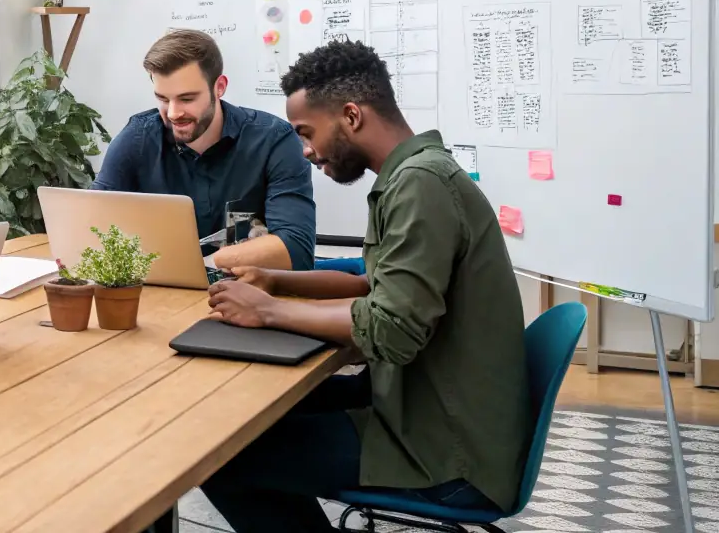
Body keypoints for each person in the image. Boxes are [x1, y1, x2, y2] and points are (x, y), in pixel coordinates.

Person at [200, 39, 529, 532]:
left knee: (220, 456)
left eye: (307, 133)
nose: (306, 151)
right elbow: (369, 282)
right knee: (250, 414)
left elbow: (390, 329)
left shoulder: (420, 185)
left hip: (445, 452)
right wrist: (274, 280)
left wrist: (267, 310)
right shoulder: (412, 175)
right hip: (422, 410)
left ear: (351, 116)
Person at [93, 29, 315, 270]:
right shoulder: (137, 138)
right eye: (163, 99)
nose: (173, 113)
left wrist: (203, 265)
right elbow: (90, 224)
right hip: (158, 289)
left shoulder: (275, 140)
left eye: (187, 99)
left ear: (219, 87)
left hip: (245, 289)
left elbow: (296, 250)